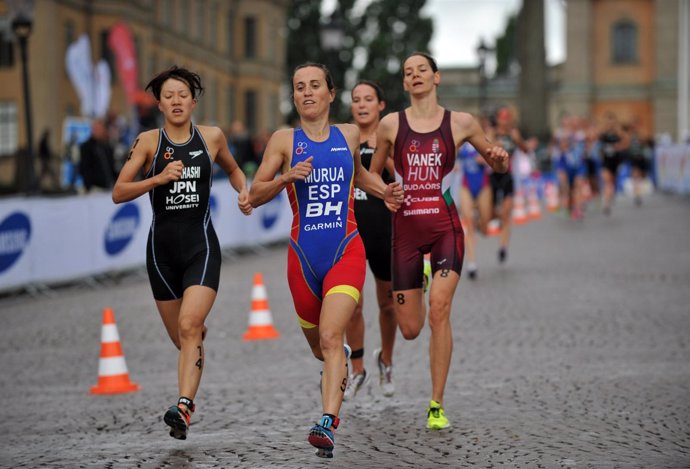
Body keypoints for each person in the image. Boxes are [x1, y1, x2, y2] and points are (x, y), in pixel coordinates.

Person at [248, 63, 402, 458]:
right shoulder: (284, 140)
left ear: (332, 94)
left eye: (315, 85)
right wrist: (285, 178)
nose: (307, 93)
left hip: (345, 248)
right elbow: (254, 193)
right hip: (303, 257)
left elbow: (361, 178)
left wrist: (384, 192)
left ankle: (327, 422)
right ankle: (337, 369)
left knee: (334, 337)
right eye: (300, 87)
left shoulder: (348, 134)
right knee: (320, 348)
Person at [111, 66, 252, 440]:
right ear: (159, 103)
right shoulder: (147, 142)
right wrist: (157, 178)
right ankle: (193, 361)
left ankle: (184, 407)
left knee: (190, 328)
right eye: (168, 95)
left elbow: (235, 170)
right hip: (160, 256)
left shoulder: (212, 137)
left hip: (201, 248)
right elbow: (118, 192)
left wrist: (243, 191)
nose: (176, 101)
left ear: (193, 101)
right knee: (184, 338)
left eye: (182, 95)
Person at [370, 52, 509, 430]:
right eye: (408, 73)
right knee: (411, 329)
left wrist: (499, 159)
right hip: (406, 234)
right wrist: (386, 190)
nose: (415, 76)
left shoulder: (461, 123)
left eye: (422, 71)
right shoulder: (390, 125)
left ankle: (436, 403)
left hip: (446, 229)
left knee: (439, 309)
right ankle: (423, 277)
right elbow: (370, 175)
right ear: (404, 83)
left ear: (436, 77)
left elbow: (496, 161)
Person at [343, 80, 397, 401]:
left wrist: (384, 153)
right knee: (352, 303)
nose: (361, 105)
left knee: (387, 304)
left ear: (381, 105)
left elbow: (400, 181)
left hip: (384, 231)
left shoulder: (390, 138)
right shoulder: (344, 138)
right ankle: (358, 368)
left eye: (368, 99)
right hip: (351, 231)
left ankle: (386, 360)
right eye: (356, 100)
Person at [487, 106, 529, 263]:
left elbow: (525, 150)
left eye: (507, 118)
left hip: (508, 177)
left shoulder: (513, 133)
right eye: (502, 118)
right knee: (490, 214)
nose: (504, 121)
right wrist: (494, 145)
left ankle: (503, 247)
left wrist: (520, 141)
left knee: (506, 214)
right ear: (497, 119)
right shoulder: (492, 133)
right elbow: (485, 149)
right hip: (492, 176)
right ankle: (494, 219)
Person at [457, 139, 492, 279]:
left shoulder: (483, 142)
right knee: (468, 222)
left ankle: (480, 223)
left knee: (485, 228)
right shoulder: (460, 143)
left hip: (483, 185)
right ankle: (472, 264)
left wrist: (485, 160)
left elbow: (493, 162)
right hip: (466, 185)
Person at [598, 112, 629, 215]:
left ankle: (611, 196)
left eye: (612, 122)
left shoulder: (618, 135)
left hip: (615, 161)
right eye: (608, 122)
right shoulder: (603, 135)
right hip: (606, 161)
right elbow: (596, 143)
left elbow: (626, 143)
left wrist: (618, 146)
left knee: (613, 182)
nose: (610, 124)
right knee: (608, 181)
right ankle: (606, 204)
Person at [79, 119, 118, 192]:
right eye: (96, 129)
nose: (99, 131)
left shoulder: (107, 147)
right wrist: (88, 185)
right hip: (94, 188)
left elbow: (111, 167)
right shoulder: (86, 147)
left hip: (109, 187)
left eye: (100, 129)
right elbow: (84, 168)